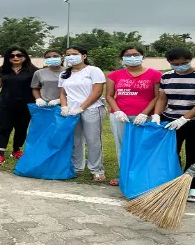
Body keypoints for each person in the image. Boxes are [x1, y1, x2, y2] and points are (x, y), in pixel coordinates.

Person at [152, 47, 195, 202]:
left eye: (184, 63)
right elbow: (162, 99)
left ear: (190, 59)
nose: (180, 66)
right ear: (169, 62)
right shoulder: (166, 77)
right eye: (176, 64)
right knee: (171, 153)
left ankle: (194, 186)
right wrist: (156, 115)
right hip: (170, 121)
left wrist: (184, 118)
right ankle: (173, 183)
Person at [105, 46, 162, 186]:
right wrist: (117, 111)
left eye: (135, 54)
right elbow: (109, 96)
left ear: (142, 56)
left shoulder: (155, 74)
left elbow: (158, 97)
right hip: (120, 116)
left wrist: (144, 113)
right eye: (128, 55)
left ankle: (142, 176)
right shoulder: (114, 75)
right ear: (121, 58)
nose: (132, 57)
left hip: (145, 116)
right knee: (122, 146)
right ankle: (124, 175)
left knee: (143, 145)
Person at [59, 46, 107, 182]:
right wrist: (64, 107)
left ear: (84, 56)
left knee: (93, 140)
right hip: (71, 111)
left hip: (92, 109)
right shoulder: (64, 74)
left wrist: (82, 107)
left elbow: (97, 92)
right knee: (75, 140)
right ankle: (77, 167)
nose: (70, 57)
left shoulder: (93, 71)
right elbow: (62, 93)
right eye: (68, 54)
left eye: (74, 54)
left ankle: (96, 170)